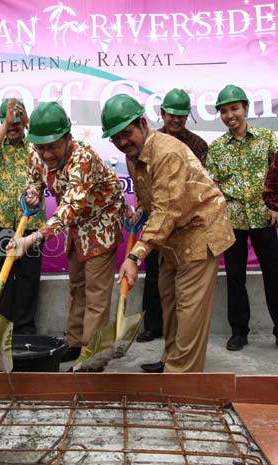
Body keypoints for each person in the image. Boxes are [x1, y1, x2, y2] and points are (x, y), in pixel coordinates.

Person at [102, 94, 234, 373]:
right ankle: (170, 359)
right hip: (171, 236)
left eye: (127, 134)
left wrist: (135, 257)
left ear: (143, 123)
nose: (123, 142)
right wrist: (139, 212)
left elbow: (166, 210)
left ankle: (181, 376)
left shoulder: (167, 152)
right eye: (116, 138)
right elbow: (150, 197)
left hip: (199, 230)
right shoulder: (132, 156)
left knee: (189, 309)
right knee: (169, 301)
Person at [9, 101, 127, 366]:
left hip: (102, 220)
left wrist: (32, 239)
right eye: (41, 147)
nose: (47, 154)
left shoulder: (83, 159)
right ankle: (74, 343)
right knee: (77, 286)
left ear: (67, 138)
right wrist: (32, 194)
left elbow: (71, 206)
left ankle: (93, 355)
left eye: (53, 146)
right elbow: (34, 181)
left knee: (96, 292)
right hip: (76, 225)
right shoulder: (36, 154)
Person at [206, 84, 278, 351]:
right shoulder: (217, 148)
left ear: (245, 108)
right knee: (235, 277)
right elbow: (211, 186)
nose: (230, 115)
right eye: (224, 111)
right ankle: (239, 331)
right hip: (233, 221)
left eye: (234, 108)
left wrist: (275, 205)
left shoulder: (267, 139)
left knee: (274, 274)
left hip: (264, 217)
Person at [137, 88, 209, 343]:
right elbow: (144, 182)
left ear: (187, 116)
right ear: (162, 113)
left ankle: (179, 337)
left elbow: (198, 187)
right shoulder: (149, 142)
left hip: (186, 225)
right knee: (154, 275)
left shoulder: (198, 145)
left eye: (181, 115)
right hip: (157, 219)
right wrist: (140, 207)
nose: (176, 120)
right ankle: (153, 326)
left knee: (182, 284)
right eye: (171, 114)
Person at [0, 97, 46, 334]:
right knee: (0, 279)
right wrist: (6, 124)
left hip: (31, 225)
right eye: (9, 124)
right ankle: (0, 329)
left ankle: (25, 328)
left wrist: (28, 124)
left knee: (28, 278)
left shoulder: (36, 147)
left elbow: (45, 155)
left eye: (17, 124)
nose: (13, 128)